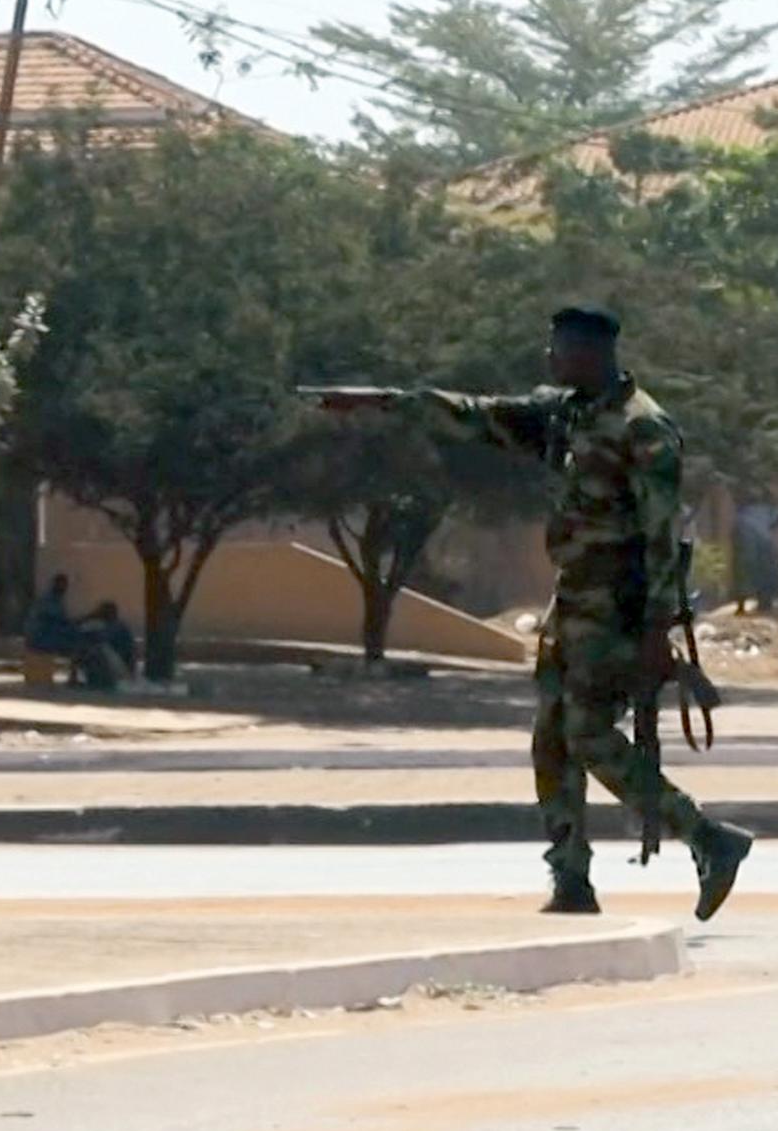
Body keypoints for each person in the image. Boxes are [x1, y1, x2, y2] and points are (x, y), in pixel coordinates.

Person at [314, 306, 753, 920]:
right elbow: (480, 414)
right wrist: (389, 403)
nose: (550, 358)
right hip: (572, 601)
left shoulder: (643, 429)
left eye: (560, 349)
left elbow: (661, 537)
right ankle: (571, 877)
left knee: (588, 735)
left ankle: (706, 836)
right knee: (551, 737)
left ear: (591, 353)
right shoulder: (566, 412)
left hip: (618, 609)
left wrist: (657, 631)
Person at [24, 573, 81, 660]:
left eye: (64, 585)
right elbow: (56, 620)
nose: (63, 588)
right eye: (61, 585)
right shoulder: (48, 600)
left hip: (43, 635)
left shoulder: (57, 600)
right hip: (40, 637)